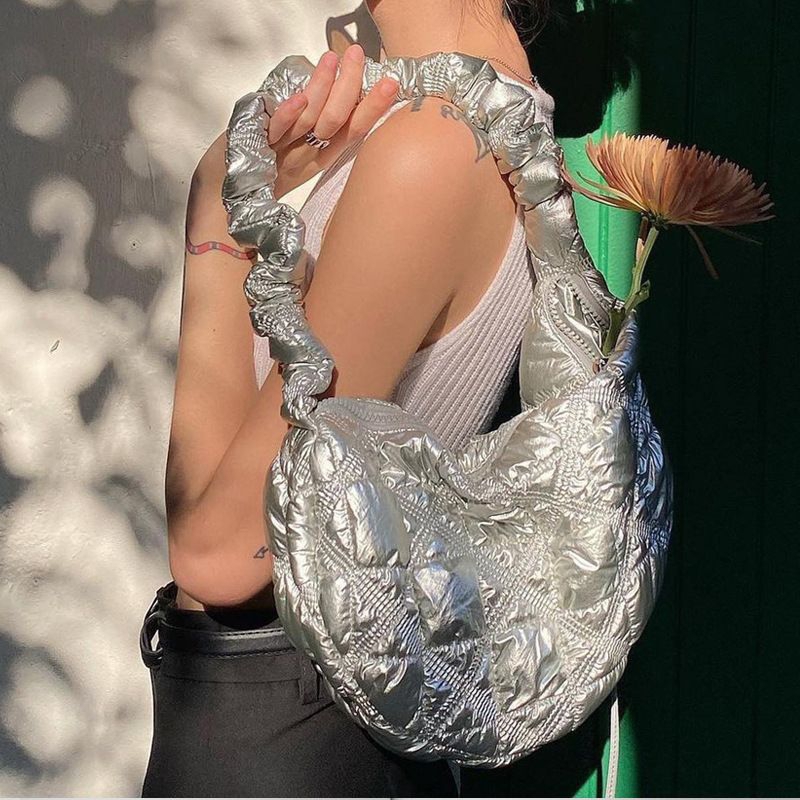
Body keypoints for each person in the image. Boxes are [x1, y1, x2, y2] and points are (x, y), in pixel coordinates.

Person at [139, 0, 552, 795]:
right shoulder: (468, 126)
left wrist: (220, 212)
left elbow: (218, 555)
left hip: (282, 733)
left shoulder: (433, 148)